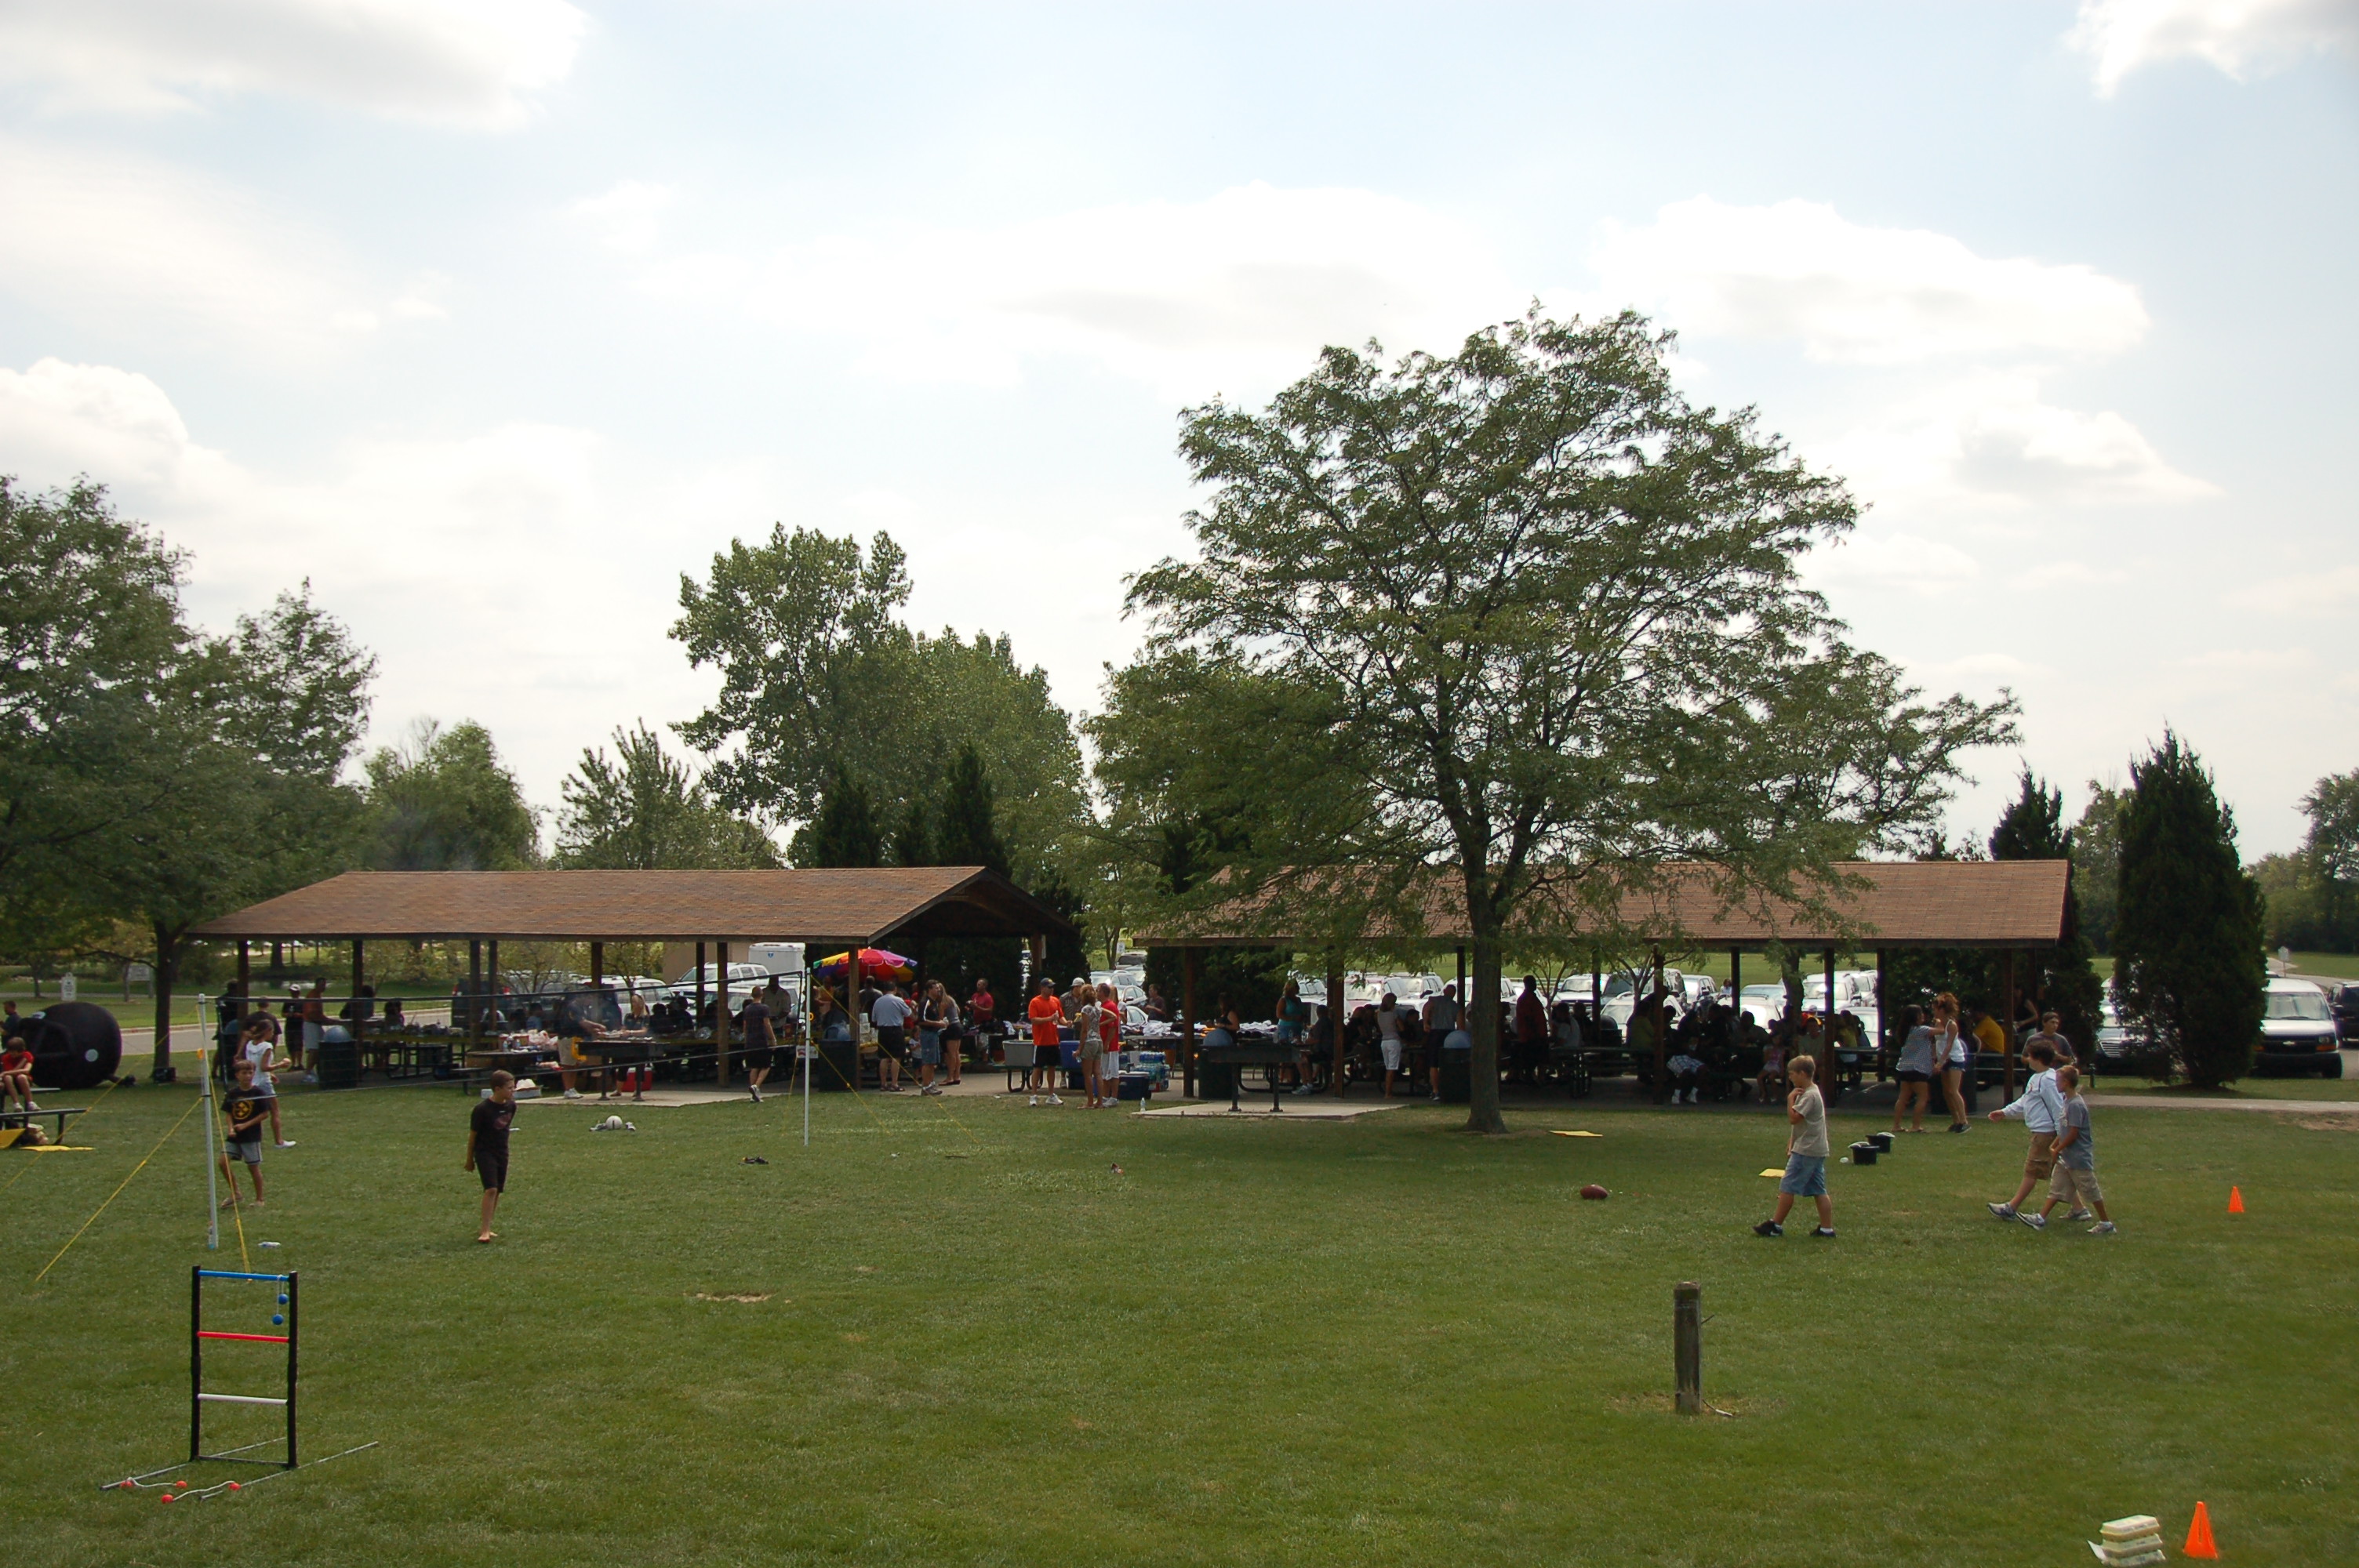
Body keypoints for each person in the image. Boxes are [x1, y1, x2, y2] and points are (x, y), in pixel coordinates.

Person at [1986, 1040, 2066, 1225]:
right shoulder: (2037, 1078)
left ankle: (2011, 1208)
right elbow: (2026, 1101)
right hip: (2041, 1132)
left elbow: (2057, 1107)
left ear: (2038, 1059)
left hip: (2045, 1134)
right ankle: (2079, 1209)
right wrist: (2005, 1112)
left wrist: (2061, 1134)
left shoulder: (2048, 1080)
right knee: (2064, 1171)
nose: (2027, 1059)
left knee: (2032, 1171)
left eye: (2030, 1056)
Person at [1754, 1054, 1834, 1238]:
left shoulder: (1810, 1096)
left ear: (1803, 1073)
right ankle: (1826, 1228)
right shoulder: (1810, 1093)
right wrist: (1792, 1142)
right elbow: (1802, 1125)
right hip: (1814, 1148)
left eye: (1792, 1074)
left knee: (1787, 1186)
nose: (1790, 1077)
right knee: (1818, 1189)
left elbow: (1794, 1118)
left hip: (1807, 1150)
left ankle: (1776, 1225)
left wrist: (1790, 1100)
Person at [2034, 1065, 2114, 1234]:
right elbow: (2063, 1129)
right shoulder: (2067, 1101)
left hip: (2078, 1157)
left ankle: (2106, 1223)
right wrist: (2054, 1146)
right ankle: (2041, 1218)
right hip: (2066, 1157)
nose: (2056, 1084)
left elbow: (2073, 1133)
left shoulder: (2076, 1105)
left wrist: (2058, 1149)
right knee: (2056, 1187)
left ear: (2067, 1082)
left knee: (2090, 1189)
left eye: (2058, 1081)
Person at [464, 1069, 518, 1243]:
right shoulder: (482, 1110)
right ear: (497, 1089)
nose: (513, 1091)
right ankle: (484, 1230)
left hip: (502, 1152)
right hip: (484, 1152)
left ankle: (489, 1225)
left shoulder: (511, 1106)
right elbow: (473, 1135)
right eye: (509, 1088)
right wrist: (469, 1159)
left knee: (497, 1191)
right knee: (491, 1189)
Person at [219, 1057, 271, 1210]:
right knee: (222, 1162)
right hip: (234, 1136)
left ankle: (260, 1199)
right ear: (237, 1075)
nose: (247, 1075)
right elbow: (228, 1113)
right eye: (244, 1073)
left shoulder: (258, 1092)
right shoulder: (233, 1094)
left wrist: (246, 1125)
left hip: (251, 1136)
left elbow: (264, 1114)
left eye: (250, 1072)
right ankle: (236, 1193)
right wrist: (230, 1128)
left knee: (253, 1167)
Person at [241, 1017, 296, 1146]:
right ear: (267, 1031)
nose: (272, 1035)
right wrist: (280, 1065)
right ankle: (279, 1141)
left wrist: (271, 1074)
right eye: (271, 1032)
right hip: (263, 1083)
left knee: (252, 1113)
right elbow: (264, 1067)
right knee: (274, 1111)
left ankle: (250, 1139)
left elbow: (253, 1064)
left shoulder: (250, 1045)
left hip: (252, 1082)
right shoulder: (267, 1046)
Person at [1891, 1005, 1936, 1134]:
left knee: (1903, 1098)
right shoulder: (1921, 1030)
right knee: (1923, 1097)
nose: (1923, 1016)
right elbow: (1941, 1031)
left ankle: (1896, 1125)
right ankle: (1916, 1125)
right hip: (1918, 1069)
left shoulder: (1906, 1031)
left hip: (1905, 1068)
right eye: (1920, 1014)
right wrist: (1939, 1021)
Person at [1933, 993, 1971, 1130]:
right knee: (1946, 1092)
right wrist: (1935, 1059)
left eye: (1935, 1009)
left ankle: (1964, 1121)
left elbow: (1949, 1045)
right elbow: (1936, 1043)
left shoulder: (1952, 1025)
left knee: (1954, 1090)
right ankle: (1956, 1121)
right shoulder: (1937, 1024)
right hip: (1943, 1059)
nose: (1934, 1012)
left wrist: (1940, 1062)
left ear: (1942, 1010)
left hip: (1955, 1058)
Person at [1026, 978, 1063, 1105]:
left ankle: (1051, 1094)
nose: (1051, 990)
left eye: (1052, 987)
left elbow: (1060, 1017)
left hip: (1053, 1040)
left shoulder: (1055, 1001)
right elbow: (1034, 1020)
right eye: (1049, 987)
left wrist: (1066, 1023)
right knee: (1037, 1068)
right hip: (1041, 1041)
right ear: (1042, 988)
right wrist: (1049, 1018)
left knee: (1052, 1067)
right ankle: (1034, 1095)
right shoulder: (1035, 1002)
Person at [871, 981, 912, 1092]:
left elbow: (873, 1019)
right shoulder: (898, 1000)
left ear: (884, 990)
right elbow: (908, 1013)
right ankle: (894, 1083)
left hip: (883, 1030)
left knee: (884, 1057)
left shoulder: (878, 1002)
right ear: (895, 989)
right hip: (896, 1029)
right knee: (896, 1057)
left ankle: (883, 1083)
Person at [1422, 984, 1460, 1102]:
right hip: (1449, 1033)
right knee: (1449, 1062)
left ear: (1444, 991)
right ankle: (1447, 1088)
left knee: (1434, 1063)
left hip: (1435, 1032)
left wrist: (1425, 1022)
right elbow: (1460, 1024)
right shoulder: (1456, 1006)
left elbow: (1426, 1008)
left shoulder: (1435, 1000)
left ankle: (1435, 1090)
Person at [915, 980, 952, 1097]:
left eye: (939, 989)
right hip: (927, 1034)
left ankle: (931, 1084)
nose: (939, 990)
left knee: (933, 1061)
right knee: (927, 1061)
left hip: (934, 1034)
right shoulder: (925, 1003)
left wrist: (942, 1022)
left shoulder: (935, 1003)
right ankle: (925, 1086)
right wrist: (938, 1024)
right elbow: (922, 1020)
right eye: (936, 988)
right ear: (929, 990)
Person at [739, 990, 776, 1102]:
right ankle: (756, 1086)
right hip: (761, 1040)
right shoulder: (764, 1008)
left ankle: (754, 1094)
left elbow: (745, 1026)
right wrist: (773, 1038)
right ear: (762, 995)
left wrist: (746, 1038)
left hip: (750, 1040)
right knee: (766, 1065)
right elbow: (767, 1024)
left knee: (754, 1067)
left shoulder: (747, 1009)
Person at [1074, 984, 1107, 1108]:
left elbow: (1084, 1030)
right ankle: (1100, 1102)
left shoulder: (1085, 1009)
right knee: (1098, 1073)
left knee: (1087, 1074)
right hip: (1099, 1040)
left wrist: (1079, 1049)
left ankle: (1090, 1102)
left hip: (1089, 1041)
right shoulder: (1097, 1009)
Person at [1375, 991, 1407, 1098]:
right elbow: (1402, 1028)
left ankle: (1387, 1090)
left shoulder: (1379, 1014)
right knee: (1392, 1068)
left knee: (1388, 1066)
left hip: (1384, 1041)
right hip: (1394, 1041)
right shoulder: (1394, 1014)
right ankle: (1388, 1092)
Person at [2, 1015, 36, 1115]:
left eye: (15, 1052)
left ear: (21, 1050)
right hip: (12, 1081)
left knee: (21, 1077)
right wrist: (8, 1073)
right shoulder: (6, 1058)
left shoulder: (27, 1055)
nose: (12, 1055)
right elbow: (11, 1073)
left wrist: (6, 1072)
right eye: (10, 1052)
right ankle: (16, 1104)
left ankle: (30, 1102)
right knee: (8, 1078)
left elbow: (26, 1071)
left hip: (24, 1080)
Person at [1753, 1014, 1787, 1105]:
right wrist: (1768, 1054)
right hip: (1768, 1065)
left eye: (1778, 1039)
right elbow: (1765, 1060)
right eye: (1775, 1039)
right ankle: (1764, 1093)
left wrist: (1782, 1069)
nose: (1776, 1041)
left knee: (1772, 1077)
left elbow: (1781, 1060)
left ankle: (1775, 1094)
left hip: (1776, 1066)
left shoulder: (1781, 1049)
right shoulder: (1767, 1047)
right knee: (1760, 1077)